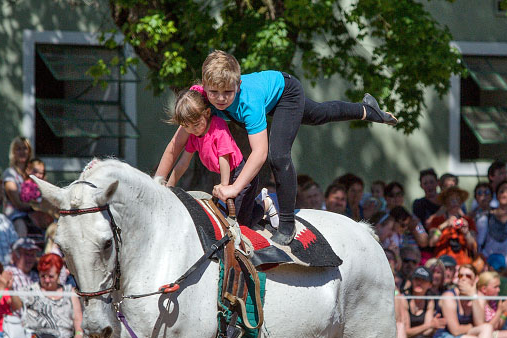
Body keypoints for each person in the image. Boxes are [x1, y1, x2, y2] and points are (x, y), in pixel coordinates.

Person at [201, 50, 397, 244]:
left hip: (286, 92)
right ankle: (367, 110)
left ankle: (287, 223)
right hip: (267, 98)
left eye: (228, 92)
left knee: (278, 156)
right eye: (214, 93)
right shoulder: (202, 99)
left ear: (239, 85)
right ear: (204, 86)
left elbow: (259, 153)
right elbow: (182, 135)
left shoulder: (249, 102)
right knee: (319, 113)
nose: (220, 99)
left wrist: (234, 188)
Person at [154, 88, 260, 226]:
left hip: (240, 174)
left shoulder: (218, 127)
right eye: (187, 126)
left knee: (241, 222)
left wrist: (224, 185)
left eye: (196, 124)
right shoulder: (194, 136)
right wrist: (169, 186)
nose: (193, 129)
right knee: (226, 218)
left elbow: (224, 158)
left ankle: (265, 203)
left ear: (207, 113)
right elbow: (183, 163)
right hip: (226, 174)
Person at [426, 186, 476, 265]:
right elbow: (432, 243)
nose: (455, 202)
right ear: (445, 202)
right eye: (451, 199)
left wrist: (467, 233)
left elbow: (473, 247)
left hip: (463, 264)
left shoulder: (468, 221)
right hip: (442, 263)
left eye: (457, 199)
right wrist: (442, 227)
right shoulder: (437, 221)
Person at [1, 136, 35, 236]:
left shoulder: (33, 174)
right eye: (18, 149)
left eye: (25, 148)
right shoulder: (10, 173)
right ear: (13, 153)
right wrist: (38, 207)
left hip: (33, 215)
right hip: (15, 216)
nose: (22, 152)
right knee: (21, 226)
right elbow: (18, 204)